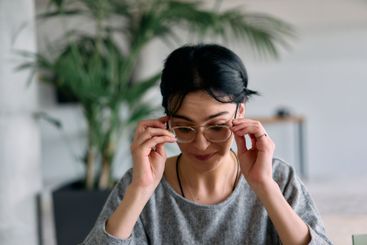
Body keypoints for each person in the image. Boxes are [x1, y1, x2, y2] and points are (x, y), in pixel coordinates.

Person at [82, 44, 332, 245]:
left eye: (216, 126)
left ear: (240, 113)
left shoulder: (277, 178)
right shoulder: (139, 183)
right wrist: (140, 190)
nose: (201, 145)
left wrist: (265, 187)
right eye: (184, 128)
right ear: (167, 123)